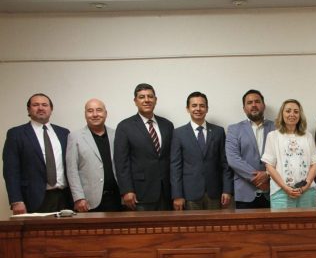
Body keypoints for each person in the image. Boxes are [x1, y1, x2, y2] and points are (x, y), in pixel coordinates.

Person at [3, 93, 71, 214]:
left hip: (65, 198)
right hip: (33, 199)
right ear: (28, 109)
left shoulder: (64, 133)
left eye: (44, 105)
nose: (40, 108)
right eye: (35, 105)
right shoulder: (16, 134)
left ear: (51, 109)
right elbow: (11, 170)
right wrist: (16, 201)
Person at [114, 83, 174, 211]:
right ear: (135, 101)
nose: (147, 100)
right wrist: (127, 190)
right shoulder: (125, 127)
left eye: (150, 96)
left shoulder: (167, 125)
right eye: (142, 97)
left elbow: (171, 158)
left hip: (166, 192)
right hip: (139, 192)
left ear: (155, 100)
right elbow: (121, 162)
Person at [171, 92, 232, 210]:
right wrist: (177, 195)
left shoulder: (218, 131)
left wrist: (227, 190)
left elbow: (225, 163)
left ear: (207, 109)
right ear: (187, 109)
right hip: (189, 194)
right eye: (194, 105)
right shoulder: (178, 133)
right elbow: (175, 167)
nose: (198, 109)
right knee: (192, 223)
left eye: (202, 105)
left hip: (215, 193)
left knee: (215, 222)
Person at [261, 99, 316, 208]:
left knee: (308, 220)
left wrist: (305, 186)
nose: (292, 114)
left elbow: (314, 163)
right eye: (288, 111)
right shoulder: (273, 136)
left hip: (307, 192)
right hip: (281, 192)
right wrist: (285, 188)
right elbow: (269, 165)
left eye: (296, 111)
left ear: (300, 115)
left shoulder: (308, 136)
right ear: (282, 114)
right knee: (282, 220)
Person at [65, 98, 120, 212]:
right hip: (89, 201)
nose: (95, 114)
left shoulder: (116, 134)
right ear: (85, 114)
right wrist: (78, 198)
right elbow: (71, 170)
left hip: (117, 198)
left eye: (99, 110)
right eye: (90, 111)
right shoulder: (75, 137)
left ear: (106, 113)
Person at [225, 89, 275, 209]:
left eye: (257, 101)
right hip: (245, 193)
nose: (254, 105)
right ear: (244, 108)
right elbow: (233, 159)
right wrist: (258, 179)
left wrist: (267, 174)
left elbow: (282, 157)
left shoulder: (276, 128)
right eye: (249, 102)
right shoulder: (234, 129)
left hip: (273, 191)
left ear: (263, 105)